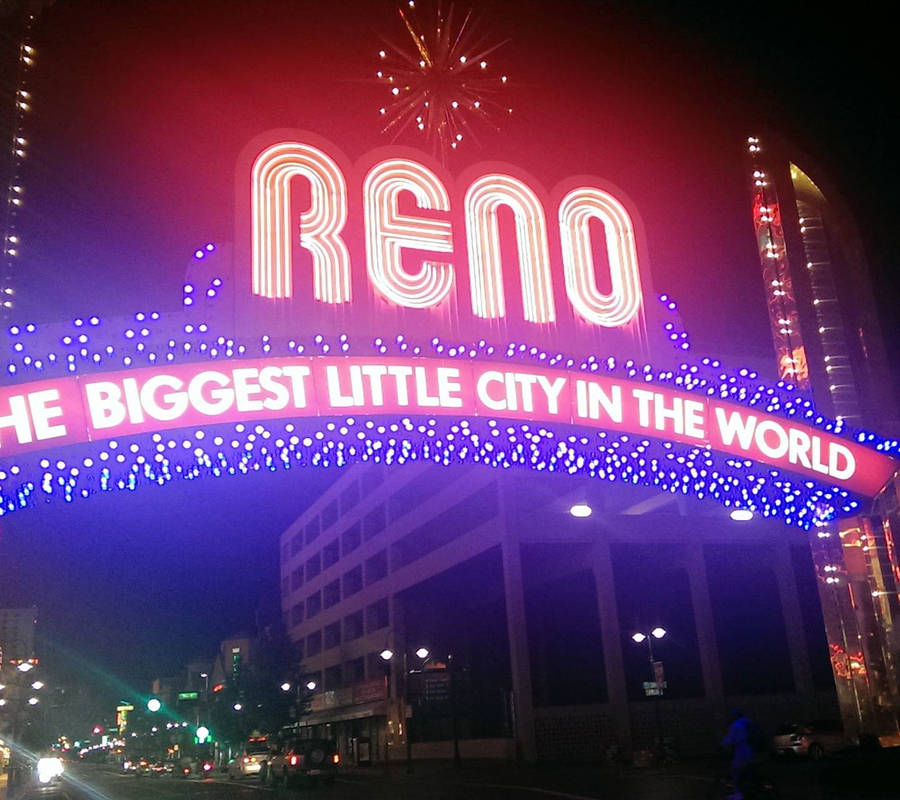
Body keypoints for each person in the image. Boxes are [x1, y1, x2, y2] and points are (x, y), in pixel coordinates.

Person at [722, 708, 763, 799]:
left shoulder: (736, 725)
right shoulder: (748, 723)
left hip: (742, 752)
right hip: (752, 750)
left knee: (736, 771)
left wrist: (722, 743)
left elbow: (732, 739)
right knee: (748, 771)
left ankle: (739, 794)